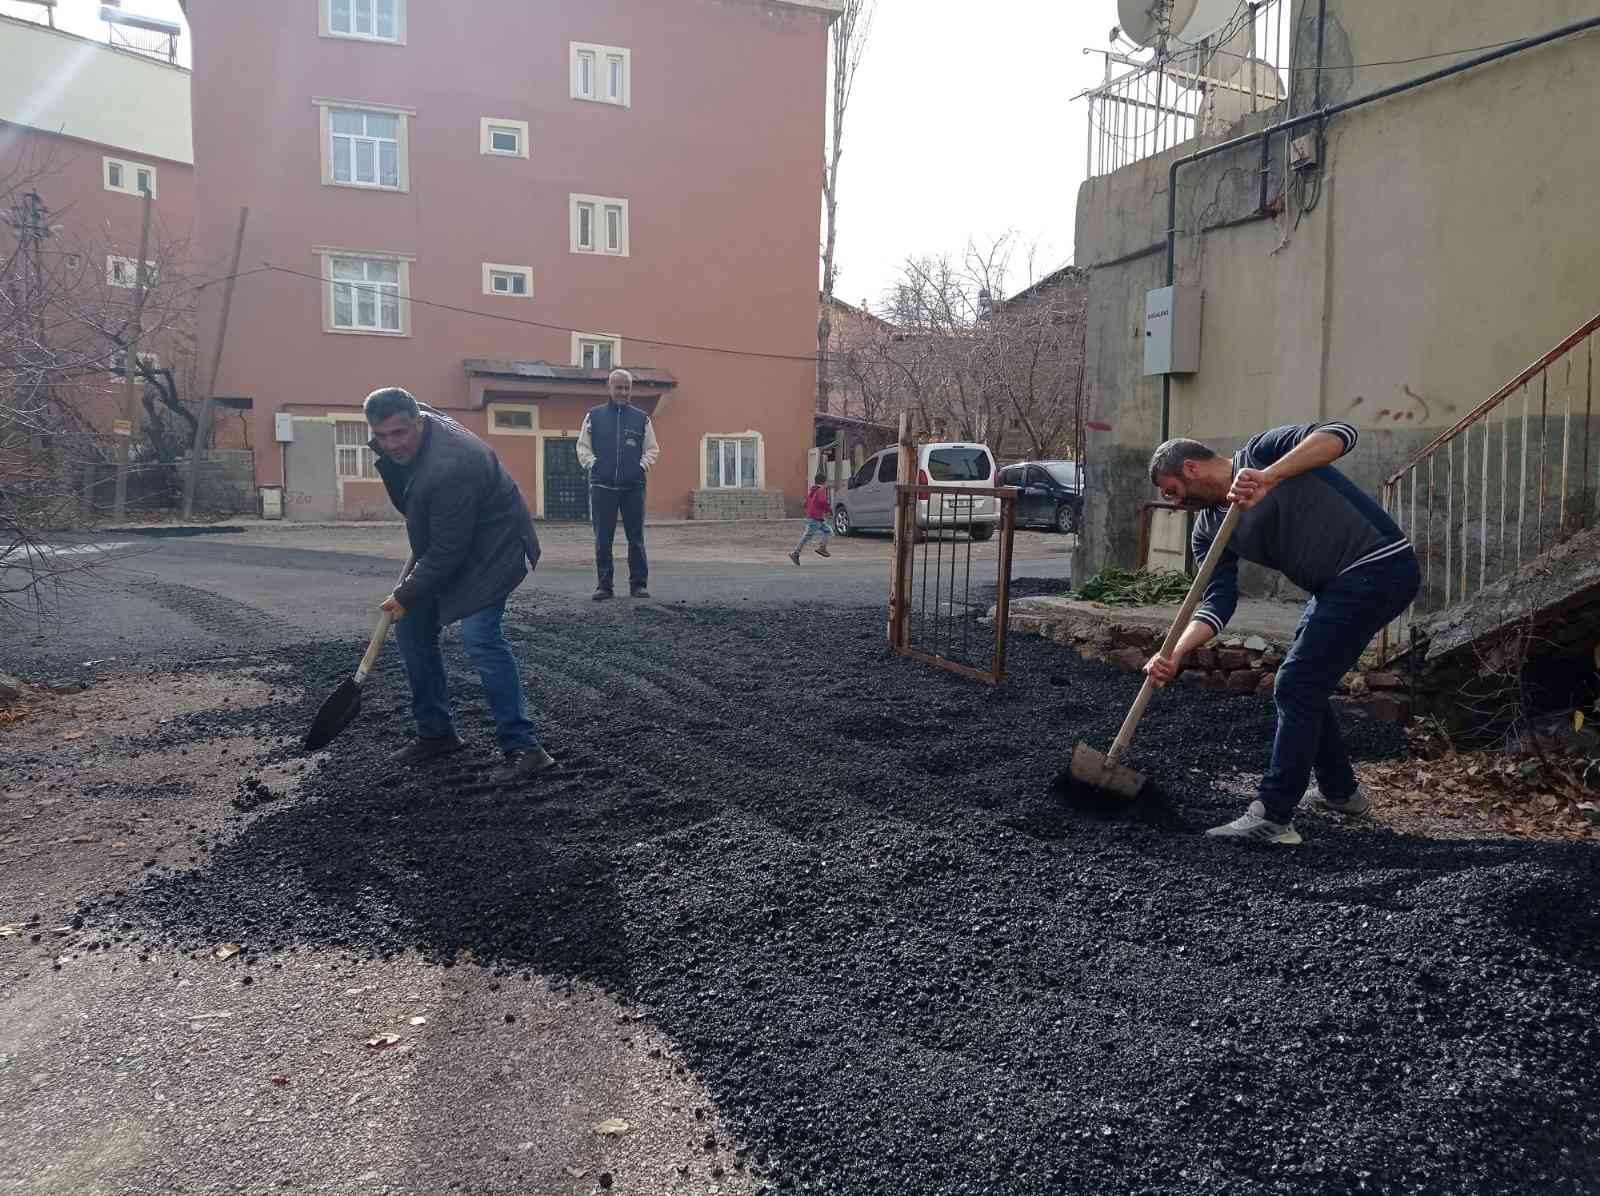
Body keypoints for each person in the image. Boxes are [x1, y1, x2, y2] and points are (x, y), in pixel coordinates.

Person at [1143, 421, 1419, 844]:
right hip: (1334, 588)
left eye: (1170, 490)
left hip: (1380, 567)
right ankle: (1341, 793)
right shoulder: (1207, 530)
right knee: (1302, 685)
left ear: (1192, 469)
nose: (1172, 502)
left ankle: (1274, 815)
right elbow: (1217, 603)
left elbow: (1341, 434)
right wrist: (1176, 653)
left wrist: (1269, 478)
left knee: (1296, 684)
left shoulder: (1262, 453)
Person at [365, 387, 555, 784]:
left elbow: (449, 551)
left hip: (496, 547)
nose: (390, 444)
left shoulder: (453, 465)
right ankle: (436, 734)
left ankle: (525, 747)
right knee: (413, 628)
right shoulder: (412, 438)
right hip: (456, 536)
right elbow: (439, 533)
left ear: (418, 422)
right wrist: (409, 598)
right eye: (381, 436)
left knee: (480, 637)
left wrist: (404, 593)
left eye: (399, 433)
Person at [576, 368, 659, 601]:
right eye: (619, 387)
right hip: (602, 487)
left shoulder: (642, 418)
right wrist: (594, 465)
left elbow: (652, 449)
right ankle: (604, 586)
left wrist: (640, 467)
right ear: (609, 388)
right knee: (603, 539)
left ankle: (639, 585)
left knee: (636, 538)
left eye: (627, 388)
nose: (623, 391)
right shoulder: (594, 416)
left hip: (634, 487)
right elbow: (582, 446)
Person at [789, 471, 834, 565]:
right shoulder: (821, 490)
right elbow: (823, 501)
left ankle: (822, 547)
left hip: (815, 517)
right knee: (807, 536)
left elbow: (805, 504)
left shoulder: (812, 490)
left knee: (828, 531)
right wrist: (829, 510)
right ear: (824, 482)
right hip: (815, 518)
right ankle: (795, 553)